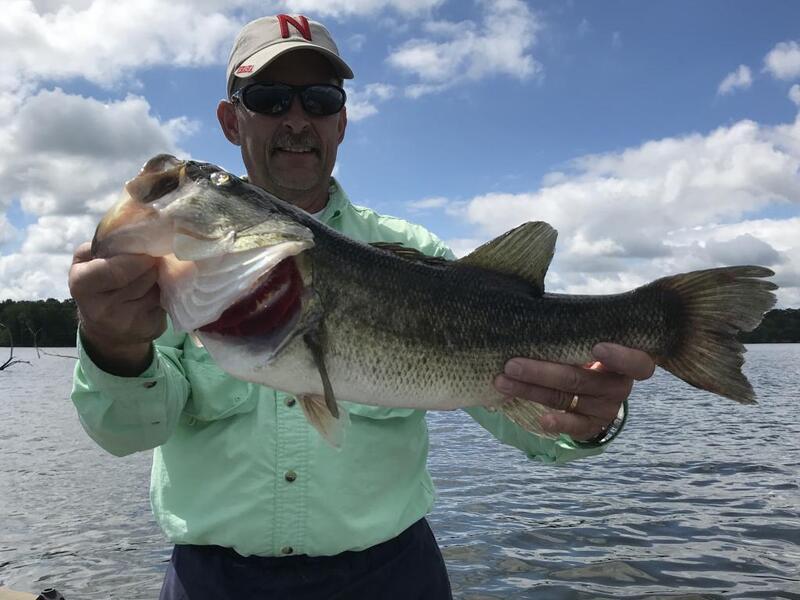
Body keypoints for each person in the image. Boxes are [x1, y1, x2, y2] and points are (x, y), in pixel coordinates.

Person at [69, 14, 655, 600]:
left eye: (319, 99)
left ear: (342, 121)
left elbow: (527, 425)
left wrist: (592, 419)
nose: (296, 119)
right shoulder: (167, 271)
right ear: (231, 119)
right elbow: (125, 433)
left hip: (392, 576)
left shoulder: (420, 255)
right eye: (269, 99)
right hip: (212, 582)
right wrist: (114, 345)